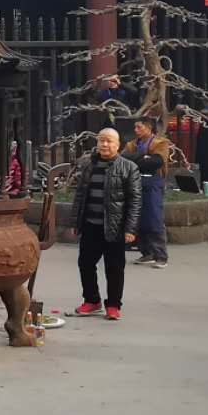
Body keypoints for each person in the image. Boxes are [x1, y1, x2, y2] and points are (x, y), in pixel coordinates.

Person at [71, 128, 141, 320]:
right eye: (101, 141)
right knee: (85, 263)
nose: (104, 144)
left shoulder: (128, 167)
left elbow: (135, 200)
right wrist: (75, 222)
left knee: (115, 267)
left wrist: (130, 228)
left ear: (118, 145)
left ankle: (113, 305)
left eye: (109, 141)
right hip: (90, 224)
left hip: (115, 225)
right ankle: (92, 300)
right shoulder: (88, 165)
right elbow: (80, 196)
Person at [129, 114, 172, 268]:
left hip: (153, 182)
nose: (136, 130)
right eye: (135, 127)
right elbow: (125, 158)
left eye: (139, 127)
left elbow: (156, 162)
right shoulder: (132, 144)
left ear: (149, 128)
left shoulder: (161, 143)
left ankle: (160, 255)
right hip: (135, 182)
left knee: (154, 218)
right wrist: (143, 157)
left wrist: (138, 159)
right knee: (137, 218)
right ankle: (146, 252)